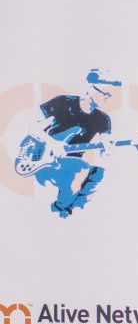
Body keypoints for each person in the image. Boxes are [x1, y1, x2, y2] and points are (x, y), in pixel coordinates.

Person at [31, 69, 120, 218]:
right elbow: (32, 127)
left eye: (111, 95)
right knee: (80, 174)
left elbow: (105, 142)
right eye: (105, 93)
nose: (108, 97)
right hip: (42, 157)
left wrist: (107, 148)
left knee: (98, 173)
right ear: (91, 89)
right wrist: (53, 144)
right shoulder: (63, 102)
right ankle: (62, 209)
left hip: (71, 163)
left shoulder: (103, 118)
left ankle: (63, 208)